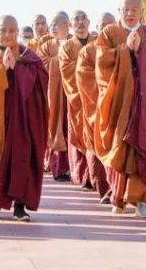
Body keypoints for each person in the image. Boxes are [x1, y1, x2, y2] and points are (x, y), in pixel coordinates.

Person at [94, 0, 146, 219]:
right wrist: (125, 49)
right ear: (119, 10)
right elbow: (101, 64)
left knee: (143, 152)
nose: (130, 13)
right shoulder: (109, 33)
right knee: (119, 148)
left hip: (145, 103)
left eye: (135, 9)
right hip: (119, 103)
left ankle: (140, 201)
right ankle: (118, 197)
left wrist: (141, 50)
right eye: (126, 9)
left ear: (142, 12)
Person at [0, 15, 48, 222]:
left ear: (17, 32)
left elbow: (42, 78)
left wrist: (18, 68)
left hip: (22, 118)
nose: (7, 35)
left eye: (12, 31)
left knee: (21, 157)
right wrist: (2, 70)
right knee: (0, 158)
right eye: (3, 30)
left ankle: (19, 206)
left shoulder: (27, 55)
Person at [76, 13, 115, 202]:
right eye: (103, 25)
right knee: (95, 144)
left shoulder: (121, 48)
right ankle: (104, 188)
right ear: (97, 28)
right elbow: (82, 76)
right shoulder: (87, 51)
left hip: (117, 106)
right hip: (95, 106)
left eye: (110, 24)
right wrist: (108, 83)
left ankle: (117, 188)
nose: (106, 28)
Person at [58, 10, 94, 189]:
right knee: (79, 134)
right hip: (78, 99)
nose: (80, 22)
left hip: (96, 99)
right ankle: (84, 177)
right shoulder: (66, 47)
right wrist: (88, 70)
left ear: (89, 21)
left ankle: (97, 177)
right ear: (70, 25)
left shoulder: (97, 42)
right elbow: (67, 72)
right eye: (76, 19)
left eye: (83, 18)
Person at [37, 12, 71, 182]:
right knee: (55, 126)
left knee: (71, 128)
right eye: (51, 25)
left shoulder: (74, 43)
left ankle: (73, 168)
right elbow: (41, 65)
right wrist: (61, 60)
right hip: (54, 95)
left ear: (67, 25)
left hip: (72, 93)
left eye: (56, 24)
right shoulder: (46, 46)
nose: (53, 28)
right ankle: (57, 167)